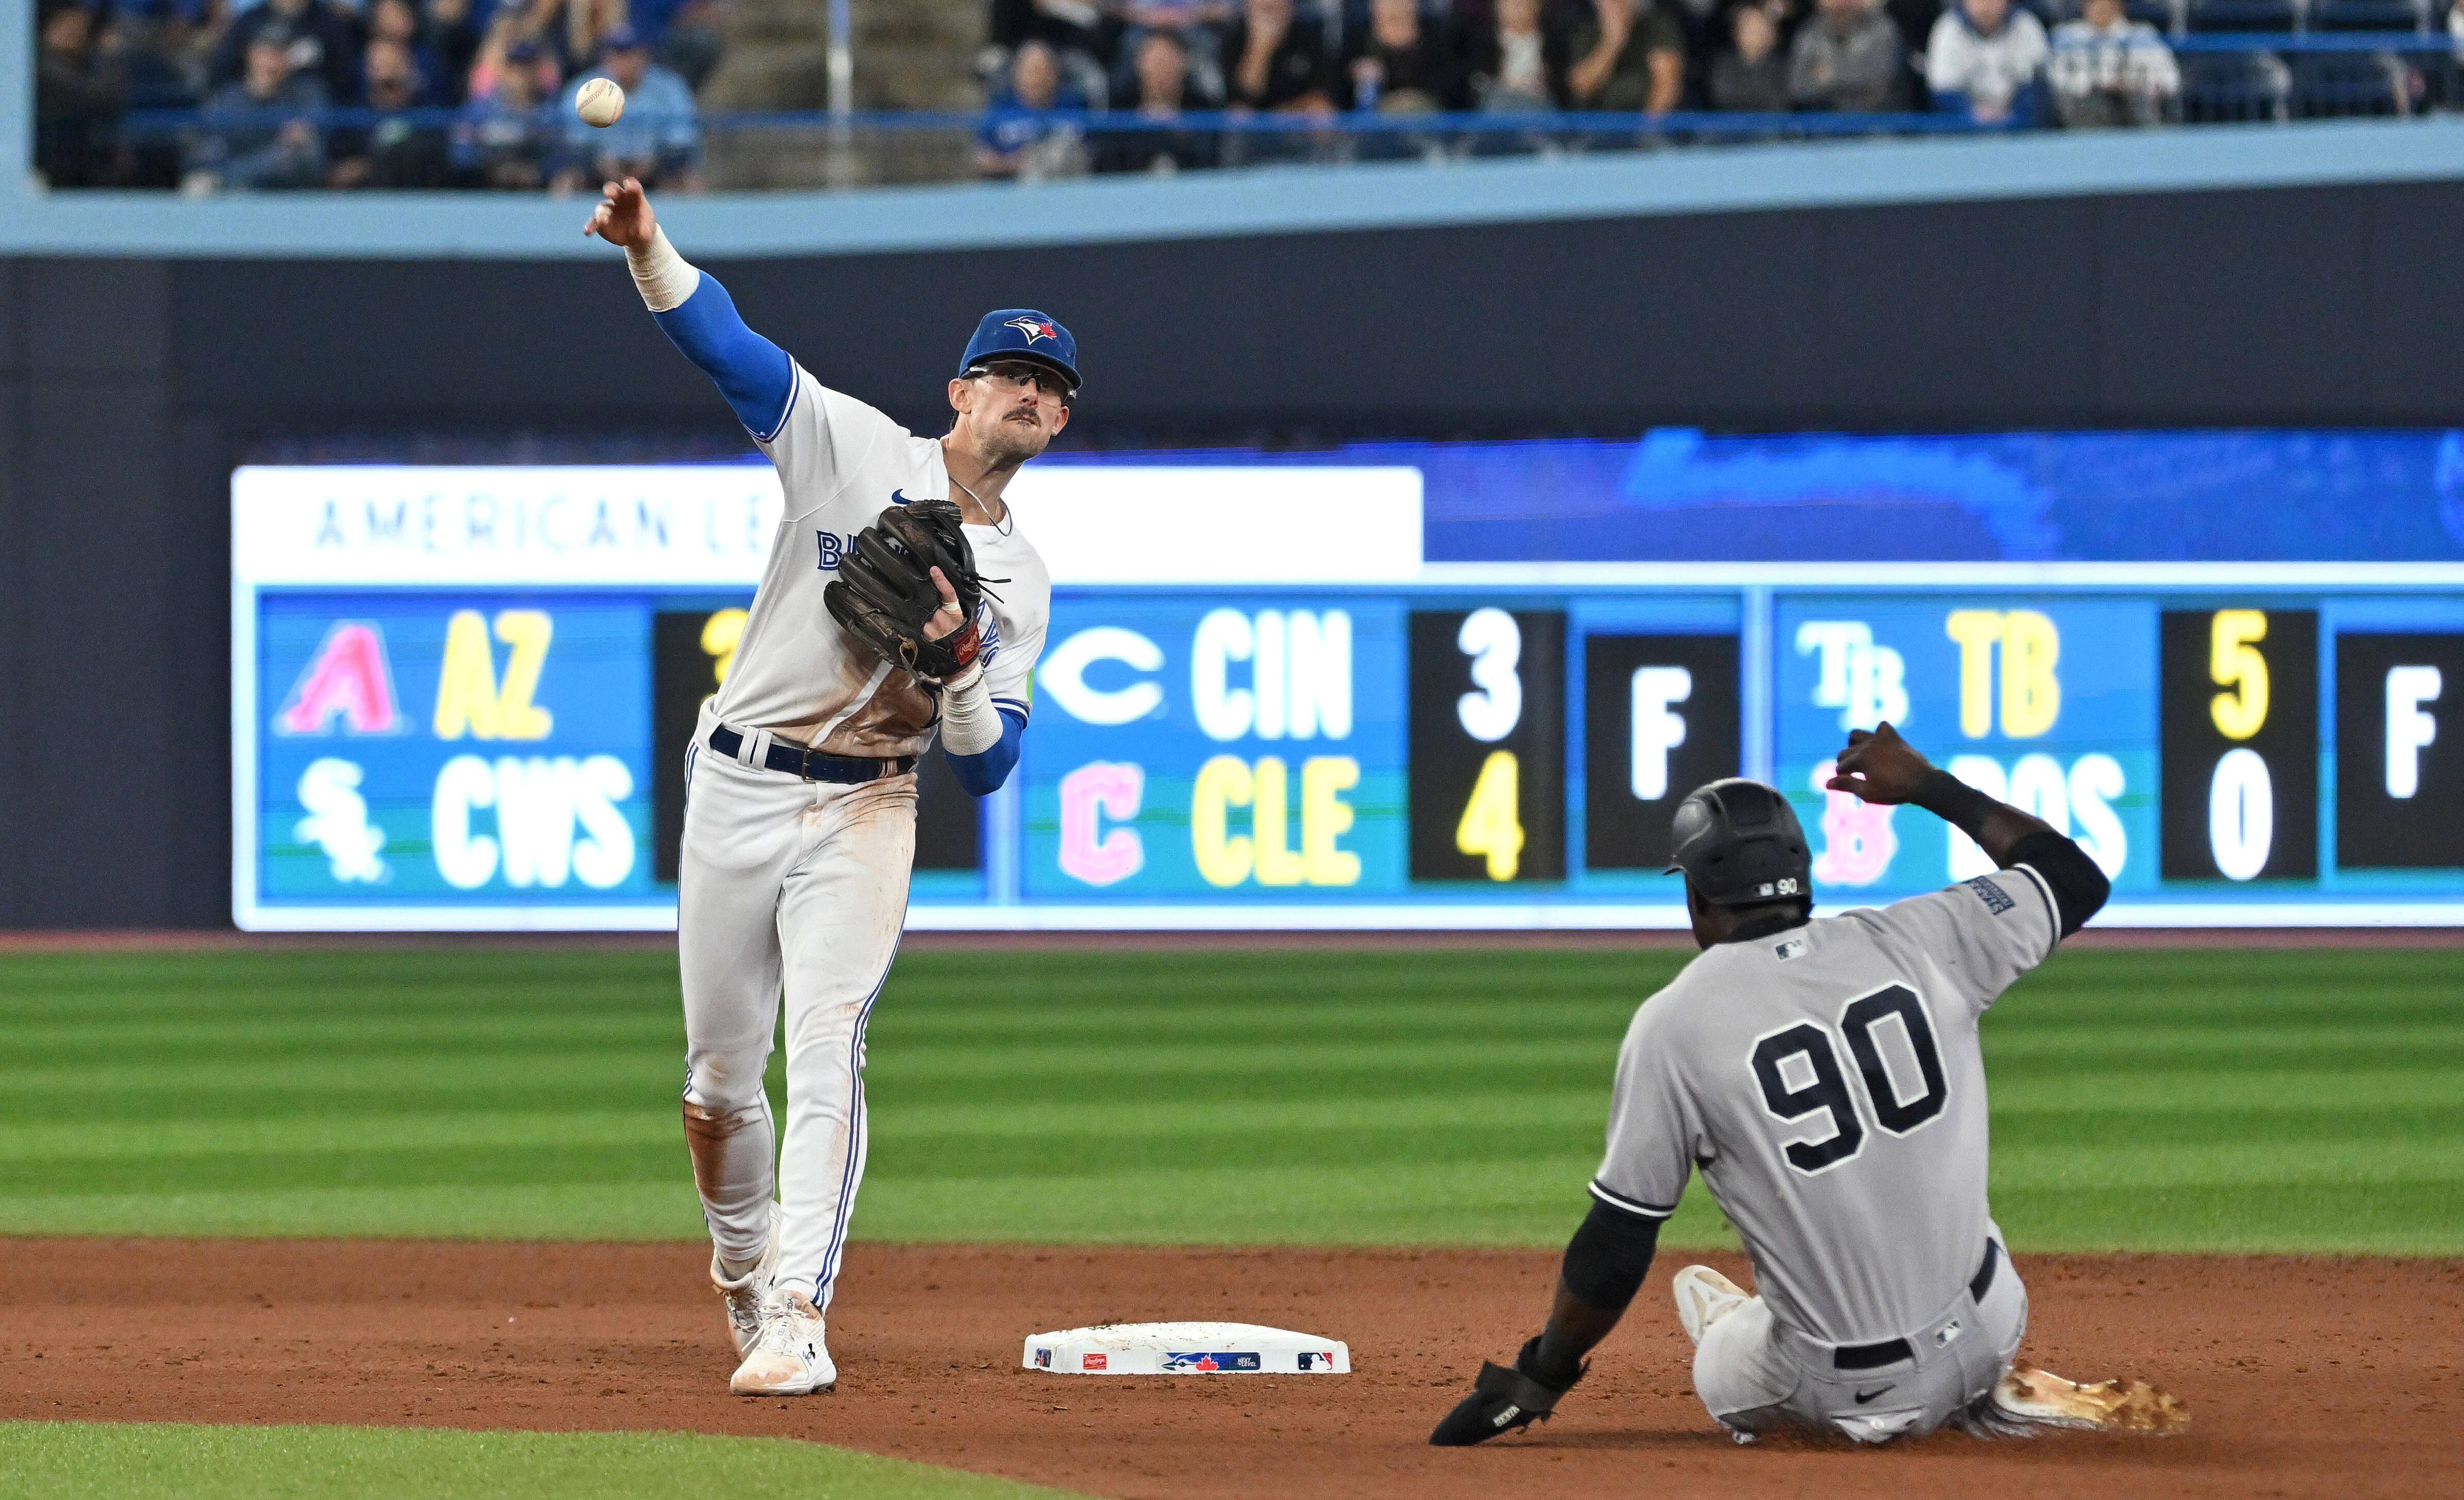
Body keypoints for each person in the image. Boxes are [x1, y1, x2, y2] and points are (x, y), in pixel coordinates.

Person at [584, 176, 1061, 1396]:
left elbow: (991, 760)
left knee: (829, 1040)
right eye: (1010, 370)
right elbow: (727, 348)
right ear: (959, 391)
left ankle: (797, 1309)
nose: (1031, 390)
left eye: (1052, 386)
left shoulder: (1022, 577)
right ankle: (741, 1271)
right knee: (716, 1080)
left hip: (868, 802)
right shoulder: (851, 446)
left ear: (1058, 425)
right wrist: (648, 248)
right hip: (739, 783)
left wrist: (959, 666)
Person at [1429, 722, 2188, 1447]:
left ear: (1694, 893)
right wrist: (1929, 786)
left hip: (1842, 1393)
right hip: (1994, 1320)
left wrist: (1540, 1376)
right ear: (1801, 872)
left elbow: (1617, 1244)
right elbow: (2071, 877)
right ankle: (1977, 1390)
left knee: (1720, 1356)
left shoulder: (1674, 1023)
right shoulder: (1921, 936)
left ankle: (1761, 1336)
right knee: (1931, 1217)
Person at [554, 26, 701, 192]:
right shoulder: (585, 87)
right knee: (567, 172)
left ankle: (694, 218)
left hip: (655, 165)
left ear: (644, 55)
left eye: (631, 54)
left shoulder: (669, 87)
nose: (625, 62)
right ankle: (558, 217)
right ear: (607, 57)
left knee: (686, 174)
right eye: (618, 54)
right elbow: (574, 140)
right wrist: (600, 161)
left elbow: (683, 139)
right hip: (599, 166)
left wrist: (655, 160)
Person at [190, 29, 329, 190]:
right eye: (267, 53)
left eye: (281, 53)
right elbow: (209, 156)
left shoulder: (308, 94)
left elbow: (304, 160)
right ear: (251, 55)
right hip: (234, 191)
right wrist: (233, 174)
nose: (273, 61)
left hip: (293, 193)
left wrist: (232, 173)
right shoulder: (225, 100)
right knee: (199, 186)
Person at [329, 35, 452, 187]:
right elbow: (339, 167)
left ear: (409, 70)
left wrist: (369, 166)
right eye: (380, 67)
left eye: (393, 66)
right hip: (363, 200)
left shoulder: (428, 116)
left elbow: (433, 160)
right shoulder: (353, 118)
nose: (387, 75)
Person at [1097, 29, 1221, 173]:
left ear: (1183, 65)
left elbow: (1210, 161)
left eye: (1167, 62)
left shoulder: (1202, 111)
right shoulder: (1119, 114)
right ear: (1140, 65)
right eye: (1154, 62)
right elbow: (1110, 164)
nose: (1160, 71)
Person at [36, 0, 125, 188]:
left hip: (84, 164)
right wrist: (111, 55)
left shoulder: (86, 64)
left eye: (82, 25)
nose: (78, 31)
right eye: (69, 24)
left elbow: (112, 98)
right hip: (50, 165)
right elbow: (98, 95)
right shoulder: (42, 67)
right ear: (50, 28)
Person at [2048, 0, 2178, 128]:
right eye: (2094, 3)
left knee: (2138, 102)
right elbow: (2054, 80)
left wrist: (2132, 85)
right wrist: (2097, 85)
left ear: (2119, 6)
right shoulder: (2067, 36)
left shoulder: (2142, 35)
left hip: (2132, 106)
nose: (2100, 9)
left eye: (2107, 3)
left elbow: (2170, 80)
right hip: (2085, 105)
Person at [976, 39, 1092, 179]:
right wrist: (1019, 162)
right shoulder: (999, 109)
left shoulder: (1075, 105)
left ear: (1055, 74)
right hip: (1013, 188)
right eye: (1031, 71)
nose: (1037, 79)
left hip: (1069, 185)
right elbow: (982, 158)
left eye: (1043, 71)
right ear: (1015, 74)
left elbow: (1094, 149)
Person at [1925, 0, 2047, 124]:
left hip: (2022, 133)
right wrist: (1973, 115)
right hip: (1963, 133)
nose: (1986, 5)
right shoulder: (1948, 28)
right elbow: (1943, 93)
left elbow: (2038, 89)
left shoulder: (2026, 26)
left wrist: (2011, 116)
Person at [1562, 0, 1685, 116]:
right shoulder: (1585, 33)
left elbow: (1666, 86)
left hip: (1645, 125)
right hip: (1595, 125)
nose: (1617, 4)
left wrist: (1646, 130)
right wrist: (1613, 42)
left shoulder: (1657, 28)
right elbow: (1581, 86)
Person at [1346, 0, 1466, 113]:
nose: (1394, 6)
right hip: (1375, 128)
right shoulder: (1358, 43)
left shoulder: (1440, 41)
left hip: (1430, 122)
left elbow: (1453, 90)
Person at [1788, 0, 1904, 112]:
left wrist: (1830, 78)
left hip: (1878, 121)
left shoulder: (1882, 29)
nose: (1840, 4)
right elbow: (1797, 87)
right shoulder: (1808, 35)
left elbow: (1878, 81)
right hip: (1824, 121)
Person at [1710, 2, 1791, 112]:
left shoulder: (1783, 67)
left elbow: (1779, 99)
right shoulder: (1724, 65)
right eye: (1748, 27)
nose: (1754, 34)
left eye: (1759, 28)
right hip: (1732, 124)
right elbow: (1722, 95)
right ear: (1737, 33)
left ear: (1772, 34)